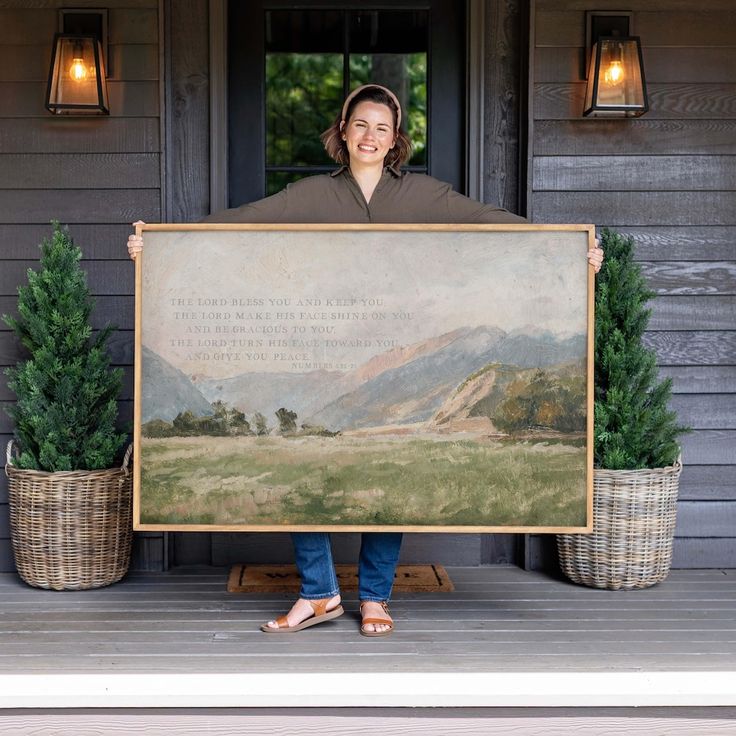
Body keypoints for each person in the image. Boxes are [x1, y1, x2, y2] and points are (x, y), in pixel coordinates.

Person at [129, 83, 604, 637]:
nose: (370, 136)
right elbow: (241, 222)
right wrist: (159, 245)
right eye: (360, 125)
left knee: (390, 492)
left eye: (382, 127)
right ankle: (319, 594)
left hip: (395, 344)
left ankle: (376, 597)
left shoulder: (424, 195)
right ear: (343, 131)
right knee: (298, 471)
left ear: (396, 138)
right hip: (323, 347)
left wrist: (573, 252)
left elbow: (490, 221)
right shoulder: (311, 195)